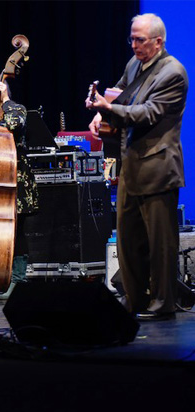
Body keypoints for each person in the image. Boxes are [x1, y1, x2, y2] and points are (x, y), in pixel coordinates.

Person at [86, 13, 188, 321]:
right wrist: (100, 113)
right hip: (131, 166)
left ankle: (163, 303)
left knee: (160, 243)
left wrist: (109, 108)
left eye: (139, 40)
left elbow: (148, 112)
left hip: (158, 166)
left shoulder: (173, 73)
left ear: (158, 42)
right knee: (128, 241)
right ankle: (134, 300)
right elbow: (119, 94)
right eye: (131, 38)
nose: (133, 45)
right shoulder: (134, 65)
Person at [0, 72, 39, 300]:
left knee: (15, 233)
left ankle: (18, 280)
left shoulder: (15, 109)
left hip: (13, 180)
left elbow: (15, 124)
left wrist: (6, 101)